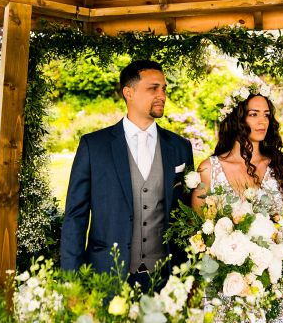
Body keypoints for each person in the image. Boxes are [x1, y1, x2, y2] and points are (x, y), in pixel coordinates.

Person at [60, 60, 194, 292]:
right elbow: (75, 217)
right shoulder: (94, 146)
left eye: (164, 88)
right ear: (128, 93)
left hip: (165, 280)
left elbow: (186, 214)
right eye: (153, 88)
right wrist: (72, 283)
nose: (162, 95)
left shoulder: (180, 147)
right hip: (107, 276)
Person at [192, 81, 283, 323]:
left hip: (275, 287)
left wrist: (277, 258)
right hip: (226, 288)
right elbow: (197, 236)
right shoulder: (209, 170)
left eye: (267, 115)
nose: (262, 121)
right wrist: (230, 267)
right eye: (253, 114)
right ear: (237, 119)